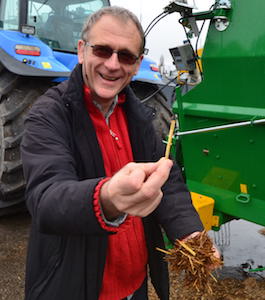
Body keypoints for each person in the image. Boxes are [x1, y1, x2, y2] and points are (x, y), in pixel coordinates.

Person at [21, 6, 218, 300]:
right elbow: (46, 198)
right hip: (78, 288)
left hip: (135, 286)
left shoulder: (138, 116)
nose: (113, 65)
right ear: (82, 51)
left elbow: (169, 182)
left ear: (137, 64)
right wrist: (107, 197)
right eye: (102, 50)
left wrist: (191, 236)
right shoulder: (48, 115)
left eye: (125, 56)